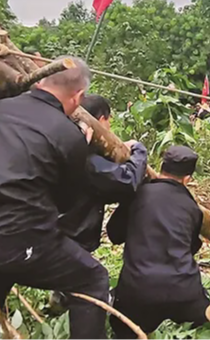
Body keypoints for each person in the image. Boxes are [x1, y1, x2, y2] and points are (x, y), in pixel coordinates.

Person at [0, 57, 110, 340]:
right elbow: (67, 202)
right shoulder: (68, 134)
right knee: (93, 279)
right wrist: (78, 146)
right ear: (78, 96)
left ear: (41, 81)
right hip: (17, 242)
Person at [107, 146, 210, 340]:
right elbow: (191, 247)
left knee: (123, 324)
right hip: (183, 289)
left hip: (140, 288)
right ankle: (204, 311)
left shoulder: (137, 194)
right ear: (187, 178)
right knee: (191, 310)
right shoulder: (192, 207)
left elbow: (114, 234)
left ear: (161, 166)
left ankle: (137, 332)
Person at [53, 94, 148, 310]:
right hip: (69, 235)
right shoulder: (87, 159)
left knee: (71, 280)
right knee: (94, 280)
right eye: (108, 122)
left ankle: (61, 303)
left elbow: (105, 188)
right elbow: (126, 181)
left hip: (62, 229)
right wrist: (139, 151)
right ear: (100, 120)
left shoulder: (65, 143)